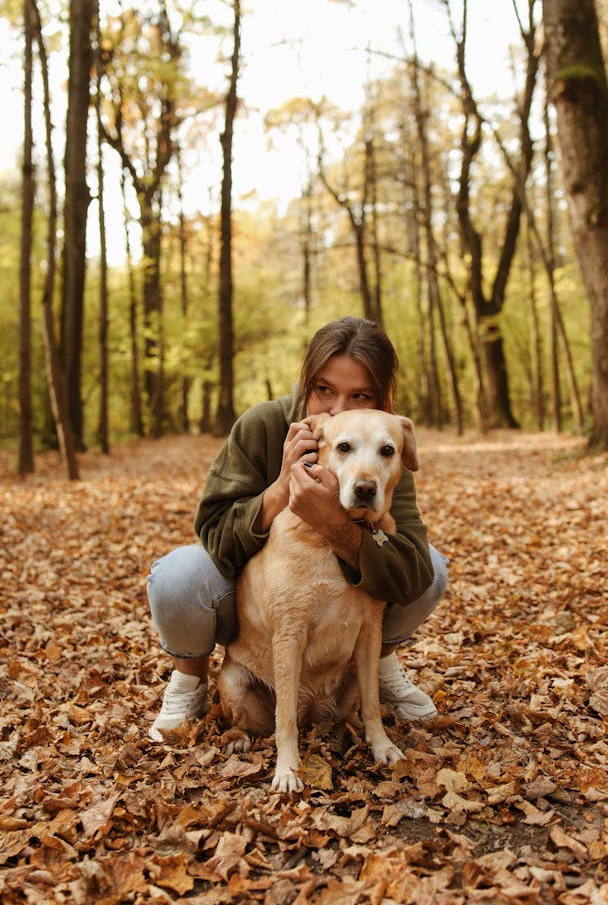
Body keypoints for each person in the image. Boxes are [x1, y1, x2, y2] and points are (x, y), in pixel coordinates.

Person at [147, 316, 448, 742]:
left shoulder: (380, 449)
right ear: (306, 381)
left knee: (432, 568)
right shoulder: (262, 424)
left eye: (359, 395)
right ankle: (188, 683)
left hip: (341, 609)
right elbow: (213, 533)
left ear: (380, 399)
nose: (338, 410)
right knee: (179, 575)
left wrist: (336, 526)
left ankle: (376, 665)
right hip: (252, 603)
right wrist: (279, 491)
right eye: (324, 390)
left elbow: (413, 571)